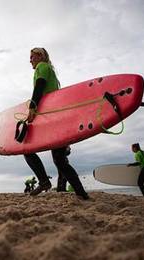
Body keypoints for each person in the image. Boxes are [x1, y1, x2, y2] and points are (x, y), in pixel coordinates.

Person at [23, 47, 89, 200]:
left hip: (49, 120)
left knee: (26, 148)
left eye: (32, 56)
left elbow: (39, 86)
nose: (30, 60)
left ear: (40, 56)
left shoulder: (42, 67)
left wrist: (32, 107)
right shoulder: (49, 70)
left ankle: (44, 181)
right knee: (59, 161)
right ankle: (81, 193)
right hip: (56, 119)